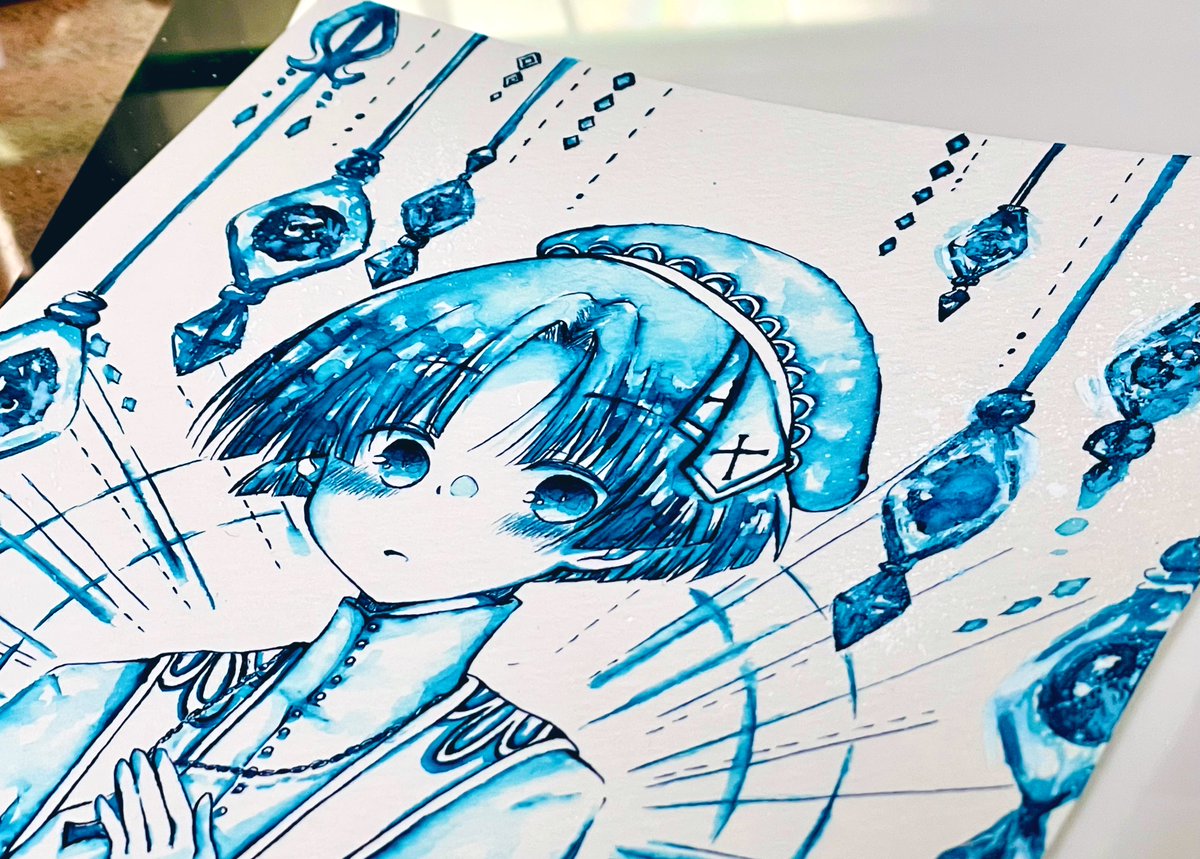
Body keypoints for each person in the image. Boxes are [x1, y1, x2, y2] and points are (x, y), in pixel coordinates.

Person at [0, 224, 879, 858]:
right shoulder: (96, 689)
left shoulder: (526, 790)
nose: (435, 507)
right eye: (401, 454)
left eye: (554, 493)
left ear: (610, 542)